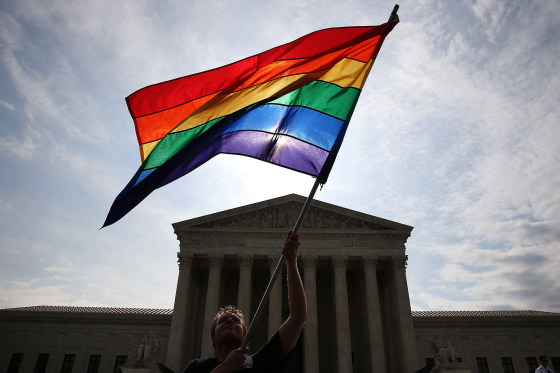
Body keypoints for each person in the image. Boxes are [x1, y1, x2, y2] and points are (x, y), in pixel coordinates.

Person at [182, 231, 306, 373]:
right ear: (213, 339)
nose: (229, 321)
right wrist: (225, 368)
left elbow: (298, 318)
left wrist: (291, 262)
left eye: (235, 321)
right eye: (222, 321)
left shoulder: (259, 363)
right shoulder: (197, 367)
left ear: (244, 336)